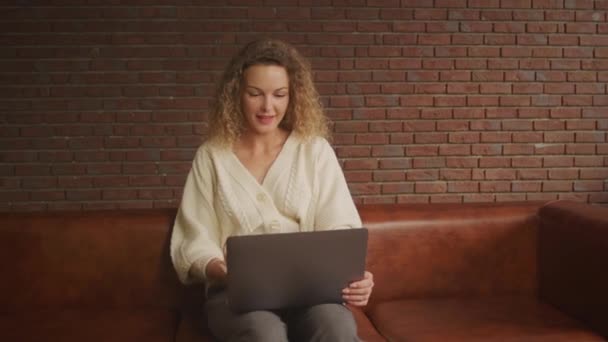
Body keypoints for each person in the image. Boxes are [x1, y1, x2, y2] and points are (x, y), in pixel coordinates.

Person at [170, 38, 374, 342]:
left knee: (337, 327)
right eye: (255, 94)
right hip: (237, 297)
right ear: (236, 94)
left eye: (279, 95)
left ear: (294, 96)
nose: (268, 107)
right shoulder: (212, 156)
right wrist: (222, 270)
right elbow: (194, 238)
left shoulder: (314, 151)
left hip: (311, 293)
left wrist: (353, 276)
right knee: (264, 333)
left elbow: (340, 226)